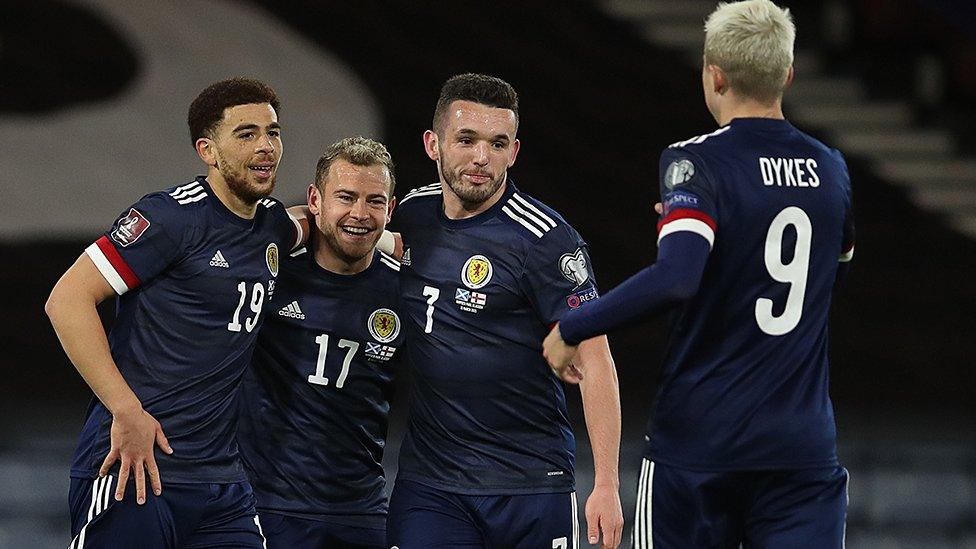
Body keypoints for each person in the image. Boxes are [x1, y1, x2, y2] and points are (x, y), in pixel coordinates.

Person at [543, 1, 856, 547]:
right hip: (799, 447)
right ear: (787, 73)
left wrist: (574, 326)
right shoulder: (831, 166)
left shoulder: (696, 161)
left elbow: (678, 278)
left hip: (700, 443)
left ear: (713, 73)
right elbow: (836, 259)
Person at [46, 77, 306, 547]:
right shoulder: (171, 217)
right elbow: (66, 300)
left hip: (223, 482)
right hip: (136, 468)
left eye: (274, 132)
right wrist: (126, 410)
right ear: (208, 150)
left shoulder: (270, 225)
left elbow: (318, 221)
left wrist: (395, 237)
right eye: (246, 134)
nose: (267, 146)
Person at [386, 73, 624, 549]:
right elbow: (353, 237)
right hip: (432, 485)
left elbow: (596, 360)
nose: (481, 158)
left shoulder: (544, 241)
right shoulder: (412, 214)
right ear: (433, 144)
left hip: (530, 484)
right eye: (467, 139)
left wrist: (607, 484)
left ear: (514, 152)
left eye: (498, 144)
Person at [236, 136, 403, 549]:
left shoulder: (407, 287)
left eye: (374, 201)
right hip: (265, 506)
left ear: (391, 208)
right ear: (315, 199)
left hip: (362, 509)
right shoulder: (270, 270)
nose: (359, 215)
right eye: (345, 197)